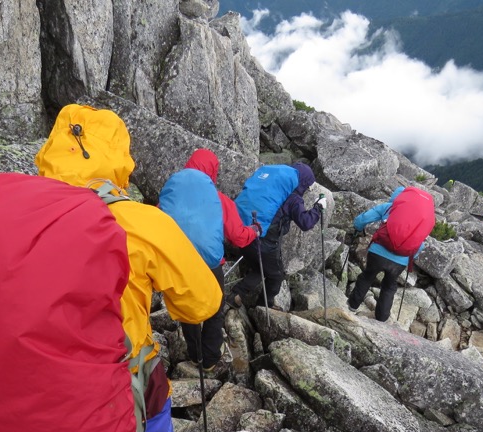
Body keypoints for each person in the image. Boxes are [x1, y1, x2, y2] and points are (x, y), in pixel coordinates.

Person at [34, 105, 222, 432]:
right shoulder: (137, 222)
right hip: (125, 381)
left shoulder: (16, 220)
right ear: (119, 155)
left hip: (42, 383)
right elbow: (203, 301)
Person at [158, 148, 260, 371]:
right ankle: (211, 358)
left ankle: (196, 356)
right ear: (213, 171)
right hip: (209, 263)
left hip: (176, 260)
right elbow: (238, 237)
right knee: (215, 306)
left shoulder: (173, 190)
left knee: (187, 306)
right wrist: (254, 230)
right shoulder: (218, 198)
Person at [226, 162, 325, 310]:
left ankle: (237, 295)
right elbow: (306, 222)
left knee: (260, 268)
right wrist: (318, 208)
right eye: (308, 186)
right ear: (303, 182)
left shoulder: (271, 189)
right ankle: (264, 306)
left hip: (245, 231)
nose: (308, 190)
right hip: (264, 242)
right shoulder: (293, 198)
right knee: (276, 276)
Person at [348, 186, 435, 322]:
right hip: (400, 260)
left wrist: (357, 228)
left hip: (378, 252)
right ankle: (382, 318)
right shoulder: (417, 220)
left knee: (367, 277)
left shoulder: (389, 207)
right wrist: (410, 257)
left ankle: (352, 307)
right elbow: (420, 243)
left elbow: (363, 219)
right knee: (389, 286)